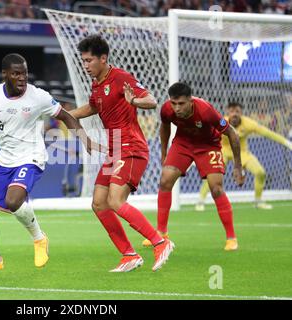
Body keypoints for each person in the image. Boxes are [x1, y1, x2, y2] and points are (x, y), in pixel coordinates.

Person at [0, 53, 100, 271]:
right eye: (16, 74)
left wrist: (85, 140)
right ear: (5, 75)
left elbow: (66, 117)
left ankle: (39, 238)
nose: (22, 78)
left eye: (25, 73)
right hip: (4, 160)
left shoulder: (38, 96)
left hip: (31, 157)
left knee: (13, 201)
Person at [69, 34, 174, 272]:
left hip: (131, 147)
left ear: (103, 58)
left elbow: (152, 100)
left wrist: (134, 102)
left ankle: (160, 241)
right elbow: (93, 107)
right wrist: (67, 115)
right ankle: (129, 255)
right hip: (114, 149)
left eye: (89, 61)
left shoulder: (121, 77)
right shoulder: (96, 83)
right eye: (83, 61)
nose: (85, 66)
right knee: (98, 203)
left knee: (115, 201)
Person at [142, 82, 245, 251]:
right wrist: (163, 153)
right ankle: (161, 232)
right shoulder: (166, 109)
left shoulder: (205, 110)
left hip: (208, 145)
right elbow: (165, 127)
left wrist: (237, 166)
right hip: (183, 144)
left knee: (216, 187)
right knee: (165, 180)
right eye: (174, 103)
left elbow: (231, 133)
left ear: (190, 101)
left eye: (181, 104)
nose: (177, 108)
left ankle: (231, 238)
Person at [196, 101, 292, 211]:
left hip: (242, 152)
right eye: (232, 111)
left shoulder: (249, 124)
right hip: (223, 150)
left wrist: (287, 143)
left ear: (241, 112)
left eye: (237, 111)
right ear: (228, 112)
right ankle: (200, 201)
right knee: (213, 174)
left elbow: (268, 133)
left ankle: (258, 201)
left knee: (260, 172)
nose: (234, 114)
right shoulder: (222, 122)